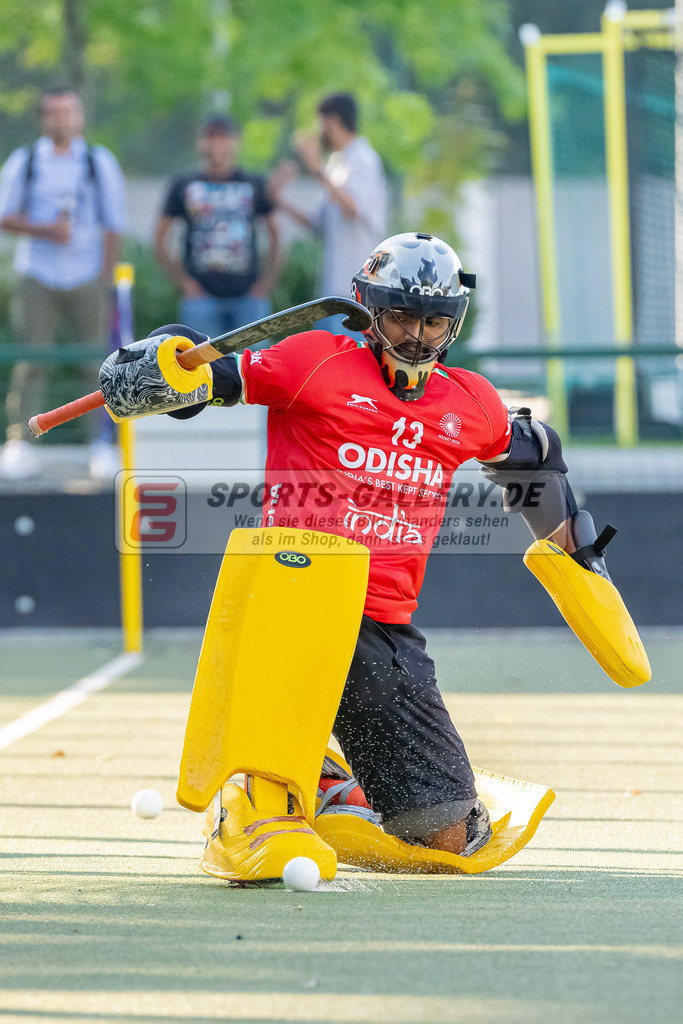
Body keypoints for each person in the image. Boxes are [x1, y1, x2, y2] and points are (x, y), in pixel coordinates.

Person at [151, 231, 622, 868]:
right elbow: (210, 379)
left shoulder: (470, 401)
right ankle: (261, 783)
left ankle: (325, 778)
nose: (418, 337)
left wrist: (578, 555)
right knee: (286, 784)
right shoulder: (312, 361)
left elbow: (531, 457)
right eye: (402, 315)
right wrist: (164, 369)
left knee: (448, 838)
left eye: (435, 321)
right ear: (369, 308)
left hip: (384, 629)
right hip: (293, 599)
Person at [0, 86, 127, 480]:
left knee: (95, 361)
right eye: (54, 113)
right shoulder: (25, 161)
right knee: (32, 359)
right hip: (38, 274)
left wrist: (105, 275)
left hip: (88, 274)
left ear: (81, 116)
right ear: (43, 118)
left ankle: (101, 442)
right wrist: (46, 230)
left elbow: (114, 224)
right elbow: (5, 216)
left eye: (69, 112)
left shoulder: (97, 161)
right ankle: (20, 440)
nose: (63, 120)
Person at [154, 114, 280, 342]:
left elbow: (276, 234)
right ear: (200, 142)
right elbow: (160, 236)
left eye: (223, 138)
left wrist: (266, 283)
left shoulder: (253, 183)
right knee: (201, 370)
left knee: (255, 364)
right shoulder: (183, 184)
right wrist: (184, 283)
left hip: (248, 296)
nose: (217, 145)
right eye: (211, 137)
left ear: (236, 142)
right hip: (200, 297)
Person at [269, 91, 388, 330]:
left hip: (359, 295)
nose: (318, 129)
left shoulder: (363, 158)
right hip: (334, 293)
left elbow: (353, 207)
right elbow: (317, 224)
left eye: (321, 121)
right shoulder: (337, 163)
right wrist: (278, 200)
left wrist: (316, 168)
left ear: (333, 121)